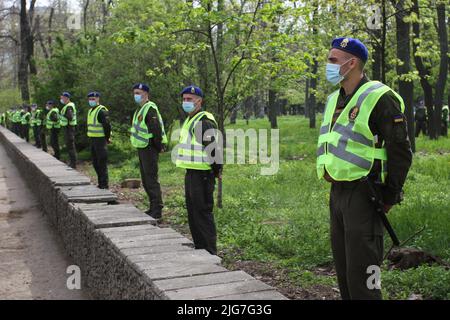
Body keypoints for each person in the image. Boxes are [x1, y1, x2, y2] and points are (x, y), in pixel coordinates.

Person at [316, 37, 412, 300]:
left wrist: (390, 196)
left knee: (365, 277)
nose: (328, 65)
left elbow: (400, 151)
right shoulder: (335, 99)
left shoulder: (380, 97)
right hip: (337, 193)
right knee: (345, 272)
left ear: (352, 62)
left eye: (333, 60)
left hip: (364, 194)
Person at [175, 85, 222, 255]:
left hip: (203, 174)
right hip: (192, 172)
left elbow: (213, 149)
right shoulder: (191, 119)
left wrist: (217, 170)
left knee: (202, 212)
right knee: (193, 212)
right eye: (184, 99)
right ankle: (200, 247)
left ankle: (209, 251)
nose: (186, 102)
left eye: (190, 99)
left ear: (199, 101)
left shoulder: (203, 121)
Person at [130, 83, 167, 219]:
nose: (136, 95)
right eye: (135, 93)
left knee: (151, 179)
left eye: (138, 93)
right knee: (146, 179)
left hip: (150, 148)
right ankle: (152, 207)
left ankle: (157, 210)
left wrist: (158, 147)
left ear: (146, 94)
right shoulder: (141, 109)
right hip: (142, 147)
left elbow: (156, 130)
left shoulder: (150, 109)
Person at [86, 91, 111, 189]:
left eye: (93, 99)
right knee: (95, 163)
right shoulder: (91, 110)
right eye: (90, 99)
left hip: (100, 140)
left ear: (98, 99)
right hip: (93, 139)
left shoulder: (101, 110)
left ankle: (104, 185)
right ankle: (101, 182)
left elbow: (107, 126)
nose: (91, 101)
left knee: (102, 163)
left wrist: (107, 138)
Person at [59, 92, 77, 168]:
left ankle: (73, 163)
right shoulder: (67, 106)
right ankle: (71, 162)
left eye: (62, 98)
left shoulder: (69, 106)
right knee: (69, 145)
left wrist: (63, 115)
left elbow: (70, 117)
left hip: (69, 128)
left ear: (66, 98)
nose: (61, 99)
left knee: (70, 146)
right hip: (68, 127)